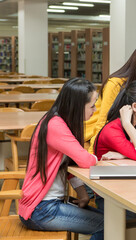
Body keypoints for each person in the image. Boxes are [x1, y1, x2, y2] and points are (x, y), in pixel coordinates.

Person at [19, 78, 103, 240]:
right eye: (91, 106)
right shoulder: (55, 125)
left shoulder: (60, 121)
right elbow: (85, 160)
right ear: (78, 106)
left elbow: (68, 164)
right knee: (105, 225)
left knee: (108, 220)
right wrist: (94, 157)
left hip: (50, 204)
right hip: (41, 209)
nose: (94, 110)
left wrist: (83, 196)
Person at [85, 43, 136, 154]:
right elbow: (102, 123)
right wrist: (93, 157)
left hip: (124, 140)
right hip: (94, 136)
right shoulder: (115, 84)